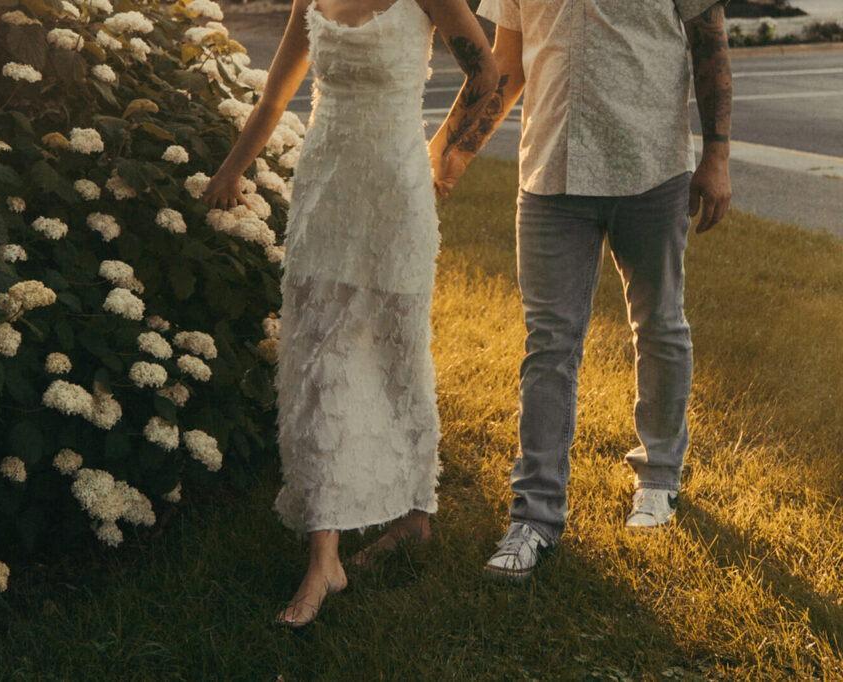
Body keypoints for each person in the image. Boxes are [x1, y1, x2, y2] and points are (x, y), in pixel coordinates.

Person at [204, 0, 499, 625]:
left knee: (398, 353)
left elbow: (488, 74)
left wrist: (445, 156)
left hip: (397, 192)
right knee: (318, 358)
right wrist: (230, 171)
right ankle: (324, 557)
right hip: (326, 193)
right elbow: (274, 99)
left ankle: (415, 517)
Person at [428, 0, 733, 580]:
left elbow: (709, 44)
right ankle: (534, 518)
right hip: (550, 174)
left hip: (649, 167)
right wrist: (462, 148)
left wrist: (716, 153)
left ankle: (659, 479)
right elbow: (508, 65)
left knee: (659, 323)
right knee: (549, 346)